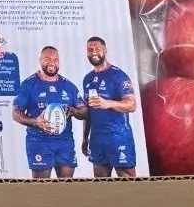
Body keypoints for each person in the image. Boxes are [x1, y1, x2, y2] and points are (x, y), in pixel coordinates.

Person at [11, 46, 83, 179]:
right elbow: (15, 113)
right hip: (39, 142)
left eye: (55, 59)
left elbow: (84, 111)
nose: (52, 62)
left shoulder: (69, 86)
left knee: (67, 187)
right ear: (40, 60)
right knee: (42, 189)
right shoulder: (28, 84)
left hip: (65, 142)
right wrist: (35, 121)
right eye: (47, 58)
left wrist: (74, 111)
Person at [77, 36, 139, 178]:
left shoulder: (118, 75)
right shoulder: (87, 79)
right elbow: (88, 112)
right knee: (101, 185)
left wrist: (108, 103)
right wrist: (85, 138)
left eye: (97, 49)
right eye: (90, 50)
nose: (93, 52)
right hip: (97, 140)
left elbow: (132, 104)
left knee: (129, 184)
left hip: (118, 137)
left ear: (105, 50)